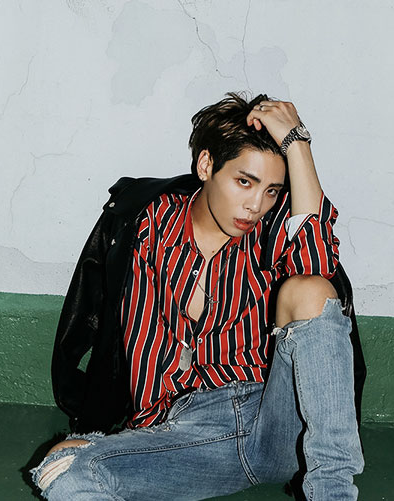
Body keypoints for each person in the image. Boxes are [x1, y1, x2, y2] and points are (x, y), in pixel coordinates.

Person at [31, 92, 365, 500]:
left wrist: (298, 145)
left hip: (272, 422)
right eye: (245, 182)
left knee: (309, 289)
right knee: (62, 467)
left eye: (272, 191)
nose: (255, 205)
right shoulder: (149, 224)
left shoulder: (270, 236)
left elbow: (320, 270)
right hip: (181, 435)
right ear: (206, 165)